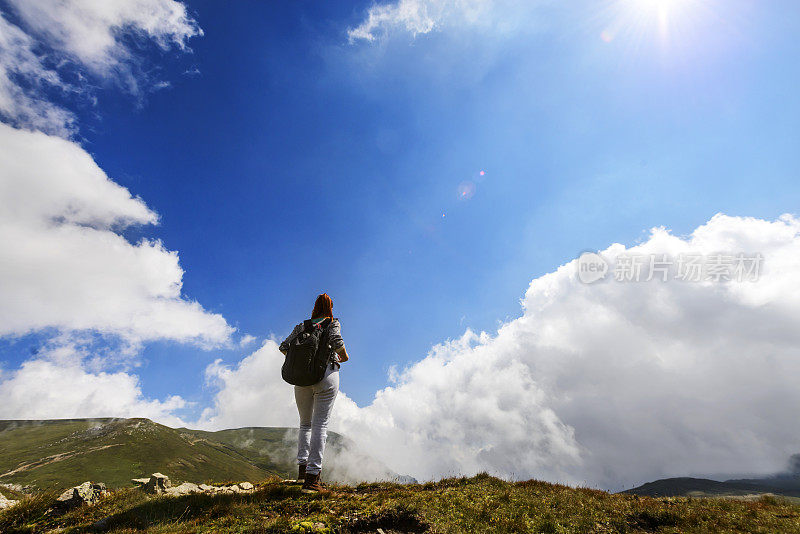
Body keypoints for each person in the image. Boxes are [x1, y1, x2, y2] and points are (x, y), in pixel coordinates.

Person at [279, 293, 349, 493]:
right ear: (330, 307)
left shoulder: (302, 326)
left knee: (305, 424)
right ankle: (313, 479)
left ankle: (302, 474)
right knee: (321, 425)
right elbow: (336, 341)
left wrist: (303, 361)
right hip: (325, 375)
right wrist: (343, 356)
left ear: (314, 308)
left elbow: (284, 347)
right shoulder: (332, 322)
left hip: (301, 379)